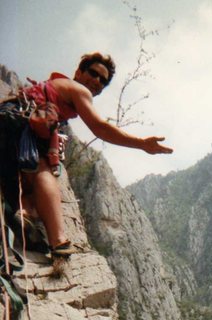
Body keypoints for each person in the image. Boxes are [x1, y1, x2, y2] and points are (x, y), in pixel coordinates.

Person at [5, 52, 173, 257]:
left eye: (103, 81)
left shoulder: (55, 87)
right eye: (93, 74)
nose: (96, 81)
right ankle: (59, 242)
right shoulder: (78, 90)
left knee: (30, 184)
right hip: (18, 127)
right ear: (78, 72)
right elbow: (100, 128)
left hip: (10, 125)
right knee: (42, 171)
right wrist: (141, 144)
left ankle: (24, 214)